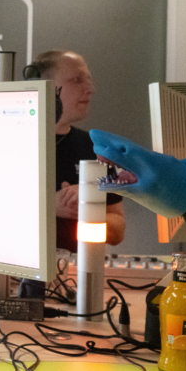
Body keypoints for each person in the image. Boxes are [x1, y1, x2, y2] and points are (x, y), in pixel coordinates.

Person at [32, 50, 126, 253]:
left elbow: (118, 231)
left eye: (89, 80)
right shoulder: (10, 144)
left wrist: (90, 208)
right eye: (77, 80)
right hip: (16, 269)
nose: (90, 89)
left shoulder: (96, 148)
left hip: (77, 270)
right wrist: (48, 206)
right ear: (45, 86)